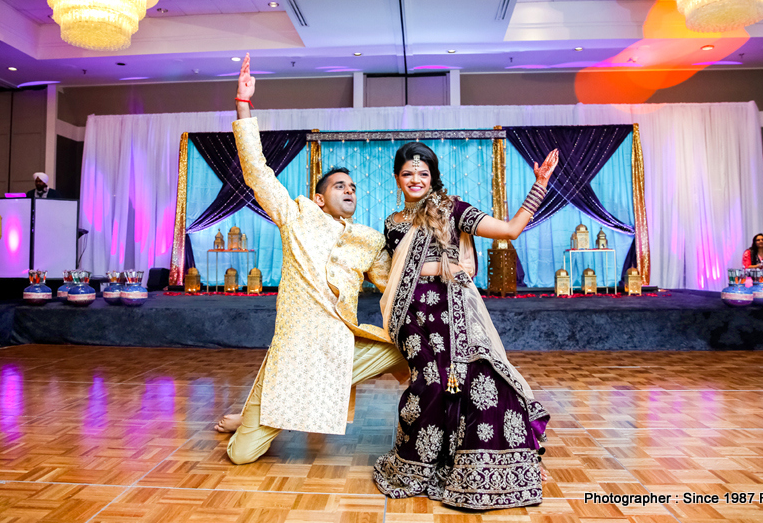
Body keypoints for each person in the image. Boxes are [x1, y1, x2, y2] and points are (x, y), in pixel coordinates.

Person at [218, 53, 408, 465]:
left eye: (354, 187)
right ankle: (257, 415)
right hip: (295, 351)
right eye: (340, 185)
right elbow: (257, 171)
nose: (350, 190)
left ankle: (433, 423)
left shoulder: (369, 239)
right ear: (321, 197)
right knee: (242, 456)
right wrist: (243, 105)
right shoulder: (296, 216)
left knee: (410, 347)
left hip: (342, 348)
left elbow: (395, 282)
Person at [373, 141, 556, 510]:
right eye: (407, 173)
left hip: (453, 310)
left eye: (423, 174)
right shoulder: (392, 224)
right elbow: (389, 272)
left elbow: (509, 230)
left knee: (479, 380)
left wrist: (539, 185)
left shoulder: (450, 209)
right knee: (430, 382)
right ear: (397, 178)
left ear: (432, 178)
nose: (415, 179)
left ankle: (467, 462)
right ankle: (415, 463)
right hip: (411, 315)